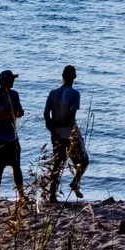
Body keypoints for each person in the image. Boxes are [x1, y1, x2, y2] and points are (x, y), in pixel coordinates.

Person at [43, 64, 88, 199]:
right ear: (74, 77)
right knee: (83, 161)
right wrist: (61, 125)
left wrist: (52, 128)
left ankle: (51, 194)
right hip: (70, 133)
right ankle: (75, 182)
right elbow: (71, 117)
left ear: (62, 76)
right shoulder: (74, 94)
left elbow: (46, 114)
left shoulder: (53, 93)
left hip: (56, 133)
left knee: (58, 163)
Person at [0, 70, 25, 199]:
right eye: (11, 79)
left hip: (12, 135)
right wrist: (10, 114)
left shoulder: (14, 95)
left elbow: (19, 112)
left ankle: (21, 194)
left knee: (16, 166)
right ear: (4, 81)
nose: (13, 81)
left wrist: (11, 113)